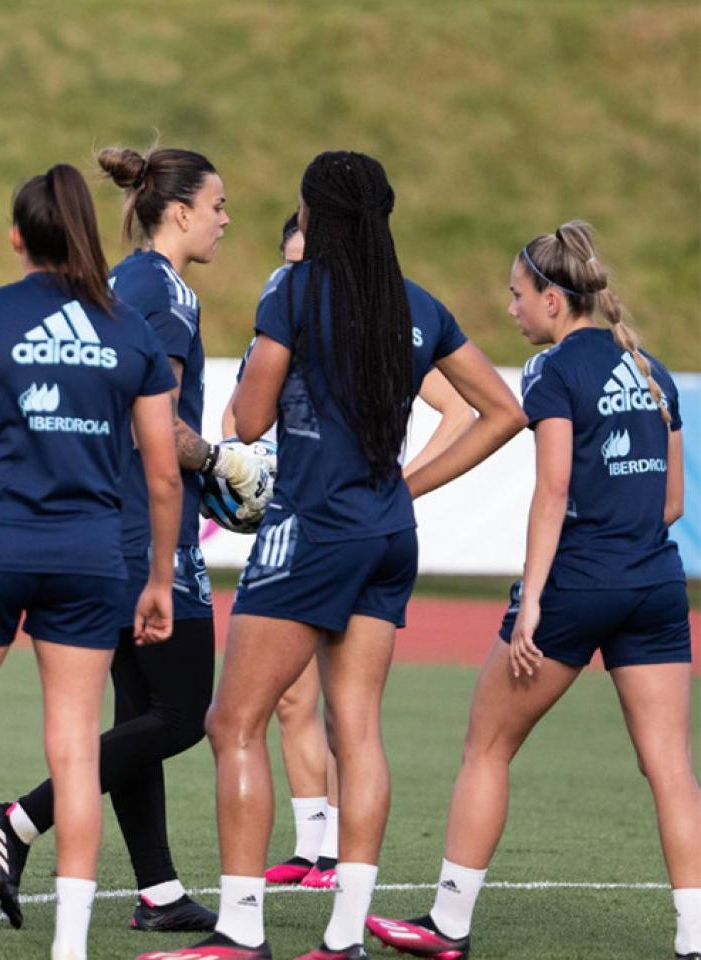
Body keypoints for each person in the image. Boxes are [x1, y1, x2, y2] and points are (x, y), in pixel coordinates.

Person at [145, 151, 526, 960]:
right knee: (359, 733)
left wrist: (261, 373)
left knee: (234, 724)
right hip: (388, 533)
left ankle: (242, 931)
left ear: (314, 217)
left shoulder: (293, 289)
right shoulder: (417, 304)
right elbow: (502, 411)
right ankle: (344, 936)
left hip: (312, 528)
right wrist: (408, 486)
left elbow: (246, 421)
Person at [368, 223, 699, 960]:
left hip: (578, 582)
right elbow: (672, 504)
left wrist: (535, 602)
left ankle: (448, 924)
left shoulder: (550, 372)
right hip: (654, 584)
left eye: (518, 296)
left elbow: (551, 491)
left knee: (486, 746)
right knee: (671, 767)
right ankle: (695, 939)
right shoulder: (651, 368)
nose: (512, 309)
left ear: (554, 299)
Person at [0, 163, 182, 960]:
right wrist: (158, 578)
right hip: (88, 559)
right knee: (76, 749)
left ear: (18, 237)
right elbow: (159, 473)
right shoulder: (131, 332)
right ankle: (71, 947)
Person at [0, 145, 263, 935]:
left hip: (123, 524)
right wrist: (227, 462)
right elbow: (156, 430)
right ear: (178, 211)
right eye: (218, 205)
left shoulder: (140, 283)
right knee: (179, 713)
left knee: (141, 708)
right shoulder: (157, 294)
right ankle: (19, 819)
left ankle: (159, 891)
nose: (226, 220)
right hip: (141, 530)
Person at [232, 217, 473, 892]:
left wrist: (406, 481)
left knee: (252, 718)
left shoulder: (364, 313)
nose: (295, 271)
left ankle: (284, 887)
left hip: (325, 526)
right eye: (287, 261)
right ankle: (316, 849)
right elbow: (245, 427)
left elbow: (461, 410)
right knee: (295, 702)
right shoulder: (299, 303)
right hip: (341, 520)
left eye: (303, 259)